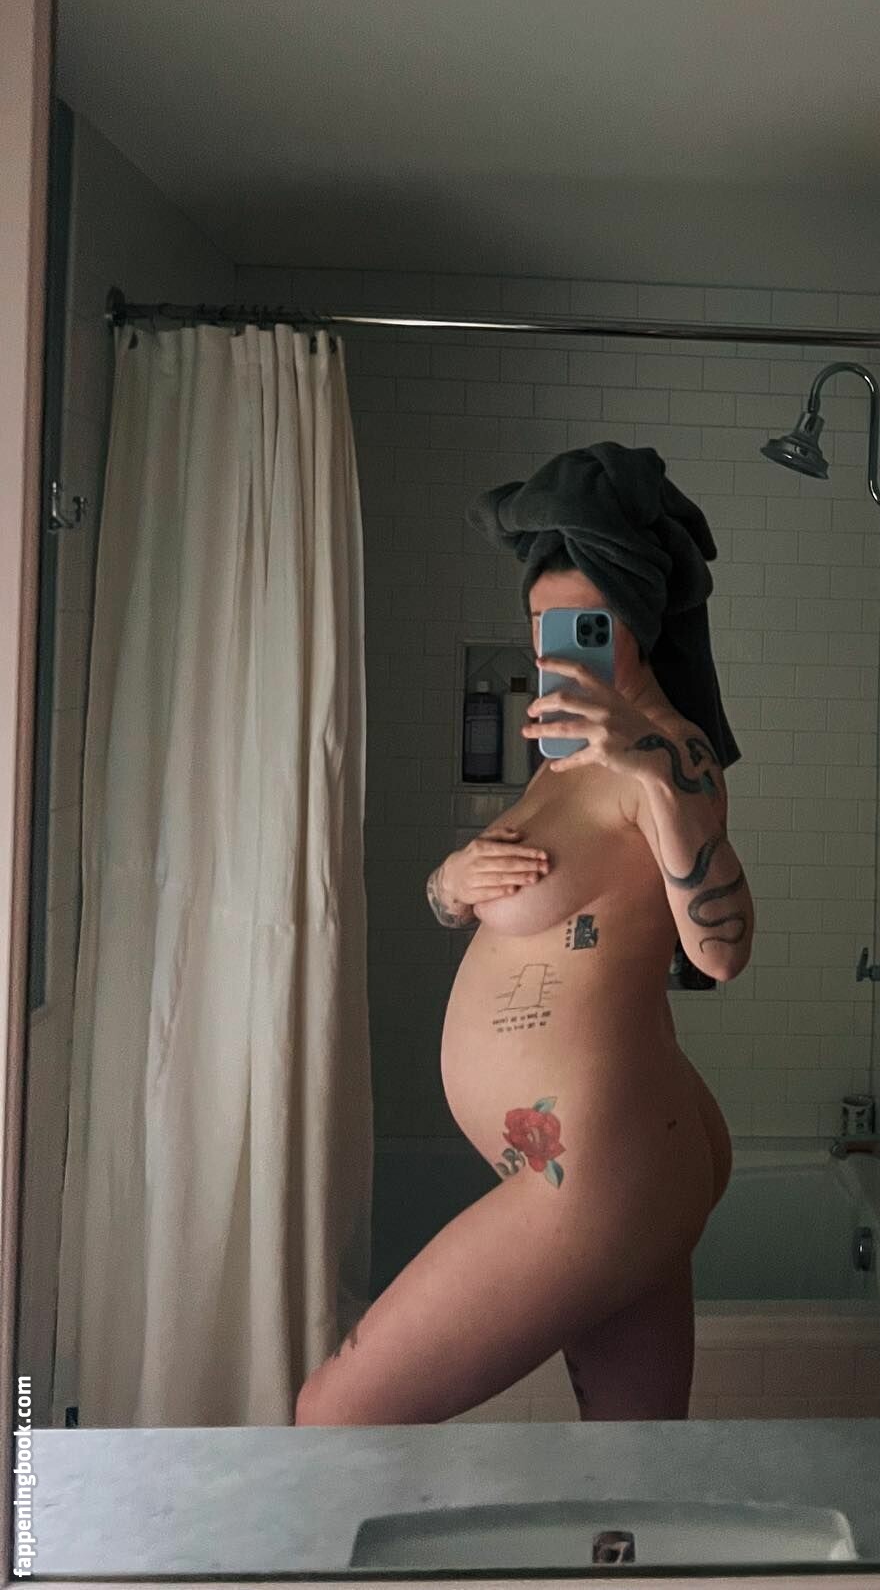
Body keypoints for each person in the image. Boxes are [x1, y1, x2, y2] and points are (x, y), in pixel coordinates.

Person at [294, 444, 751, 1425]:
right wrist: (450, 881)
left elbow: (721, 949)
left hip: (602, 1166)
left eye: (583, 629)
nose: (556, 656)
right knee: (627, 1461)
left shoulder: (670, 753)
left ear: (635, 624)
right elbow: (533, 900)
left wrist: (653, 775)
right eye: (543, 630)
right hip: (623, 1154)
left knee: (335, 1414)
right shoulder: (562, 754)